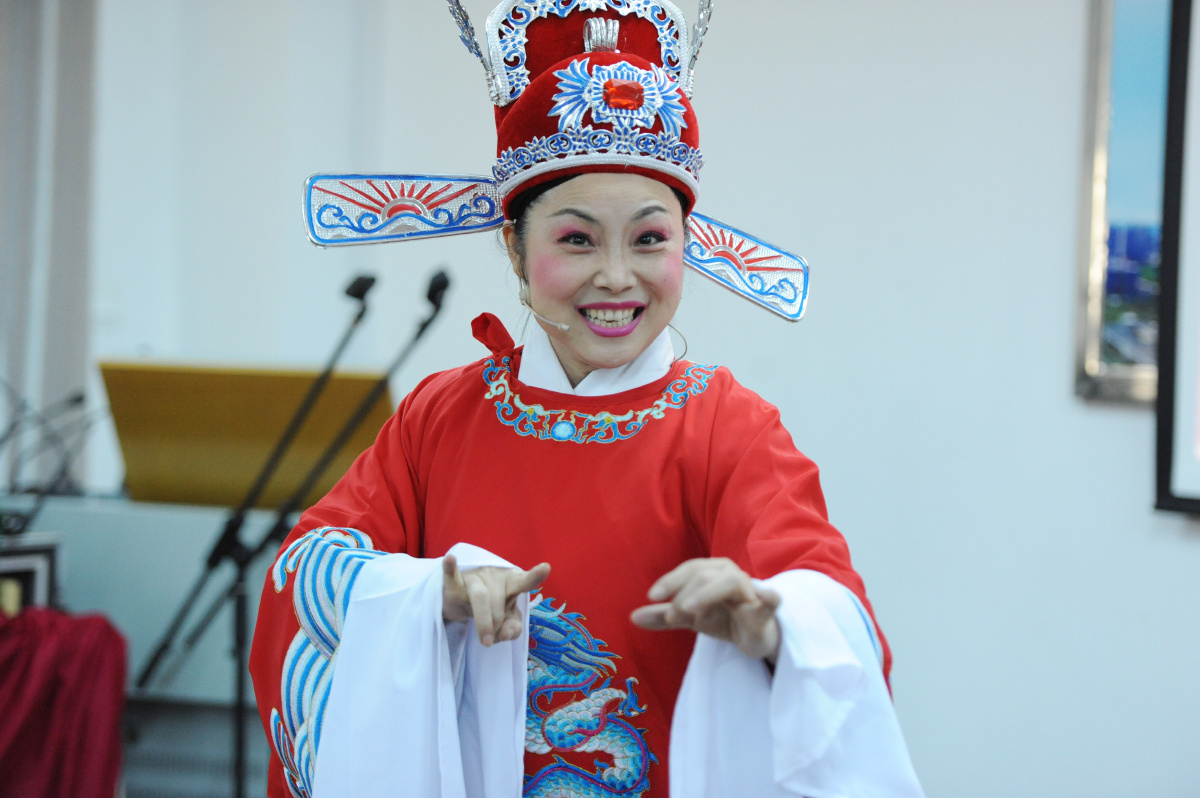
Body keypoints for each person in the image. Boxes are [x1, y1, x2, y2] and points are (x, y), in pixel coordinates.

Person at [250, 3, 925, 797]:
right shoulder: (439, 418)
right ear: (514, 244)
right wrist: (432, 595)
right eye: (575, 239)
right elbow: (308, 575)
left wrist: (772, 619)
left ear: (687, 242)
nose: (615, 276)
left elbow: (836, 619)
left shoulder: (728, 429)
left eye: (649, 239)